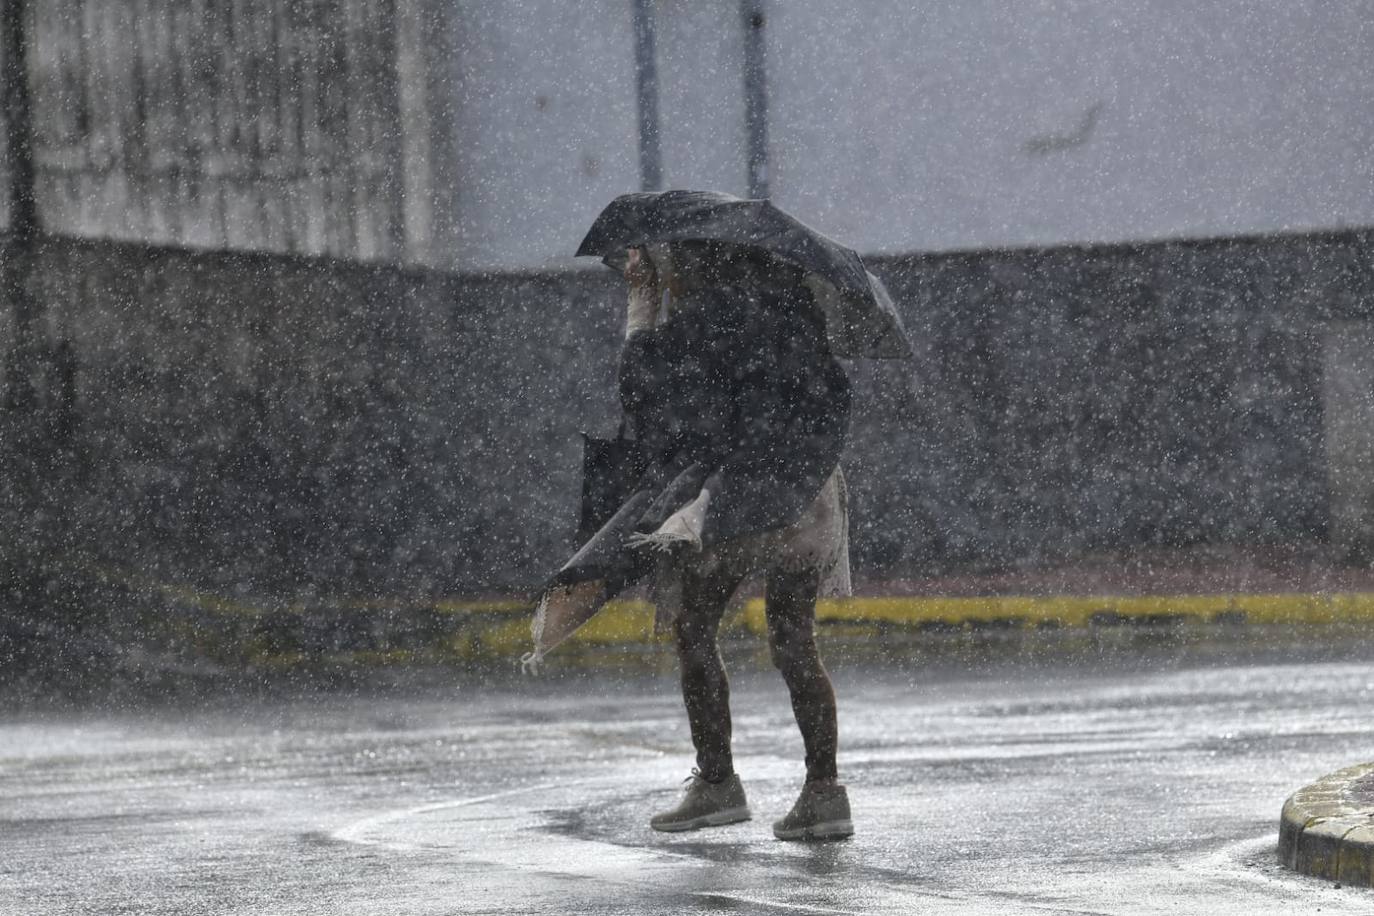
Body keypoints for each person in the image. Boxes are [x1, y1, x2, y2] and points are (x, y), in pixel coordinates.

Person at [614, 241, 856, 841]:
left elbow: (646, 398)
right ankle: (825, 792)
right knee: (795, 642)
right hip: (807, 487)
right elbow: (826, 401)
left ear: (693, 265)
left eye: (674, 263)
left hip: (738, 494)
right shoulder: (794, 310)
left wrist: (642, 306)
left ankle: (718, 783)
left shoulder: (703, 321)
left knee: (694, 625)